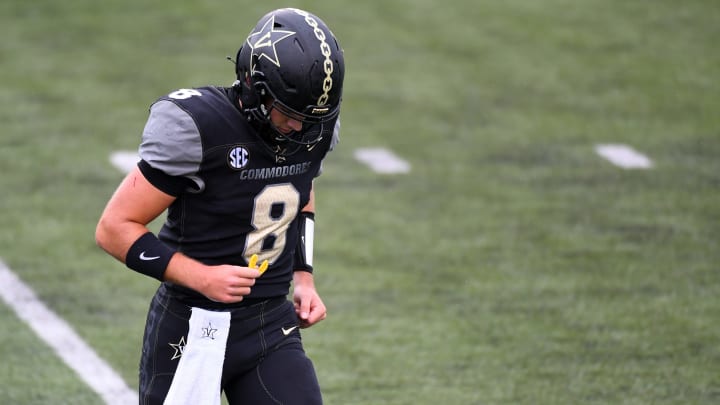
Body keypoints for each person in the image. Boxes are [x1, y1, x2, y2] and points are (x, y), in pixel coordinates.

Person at [95, 8, 344, 404]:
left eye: (309, 118)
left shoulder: (312, 125)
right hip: (191, 325)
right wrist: (201, 277)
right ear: (254, 85)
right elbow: (114, 228)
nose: (300, 129)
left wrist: (304, 276)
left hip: (269, 323)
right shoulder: (198, 126)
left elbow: (300, 187)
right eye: (290, 114)